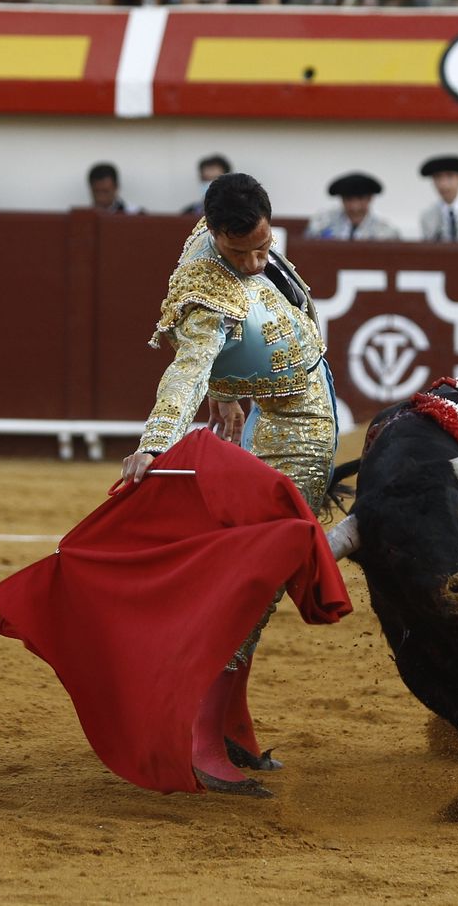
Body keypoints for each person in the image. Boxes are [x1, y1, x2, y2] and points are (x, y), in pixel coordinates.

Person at [119, 172, 336, 796]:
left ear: (269, 219)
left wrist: (227, 388)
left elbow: (224, 360)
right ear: (214, 236)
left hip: (281, 406)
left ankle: (232, 725)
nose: (251, 262)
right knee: (257, 581)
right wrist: (155, 443)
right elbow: (186, 370)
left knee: (258, 577)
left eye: (261, 247)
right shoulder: (206, 290)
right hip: (291, 428)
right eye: (237, 253)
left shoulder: (227, 230)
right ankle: (201, 739)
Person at [305, 172, 403, 240]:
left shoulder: (385, 229)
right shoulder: (323, 222)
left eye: (360, 198)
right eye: (349, 199)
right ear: (342, 199)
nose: (354, 205)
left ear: (370, 199)